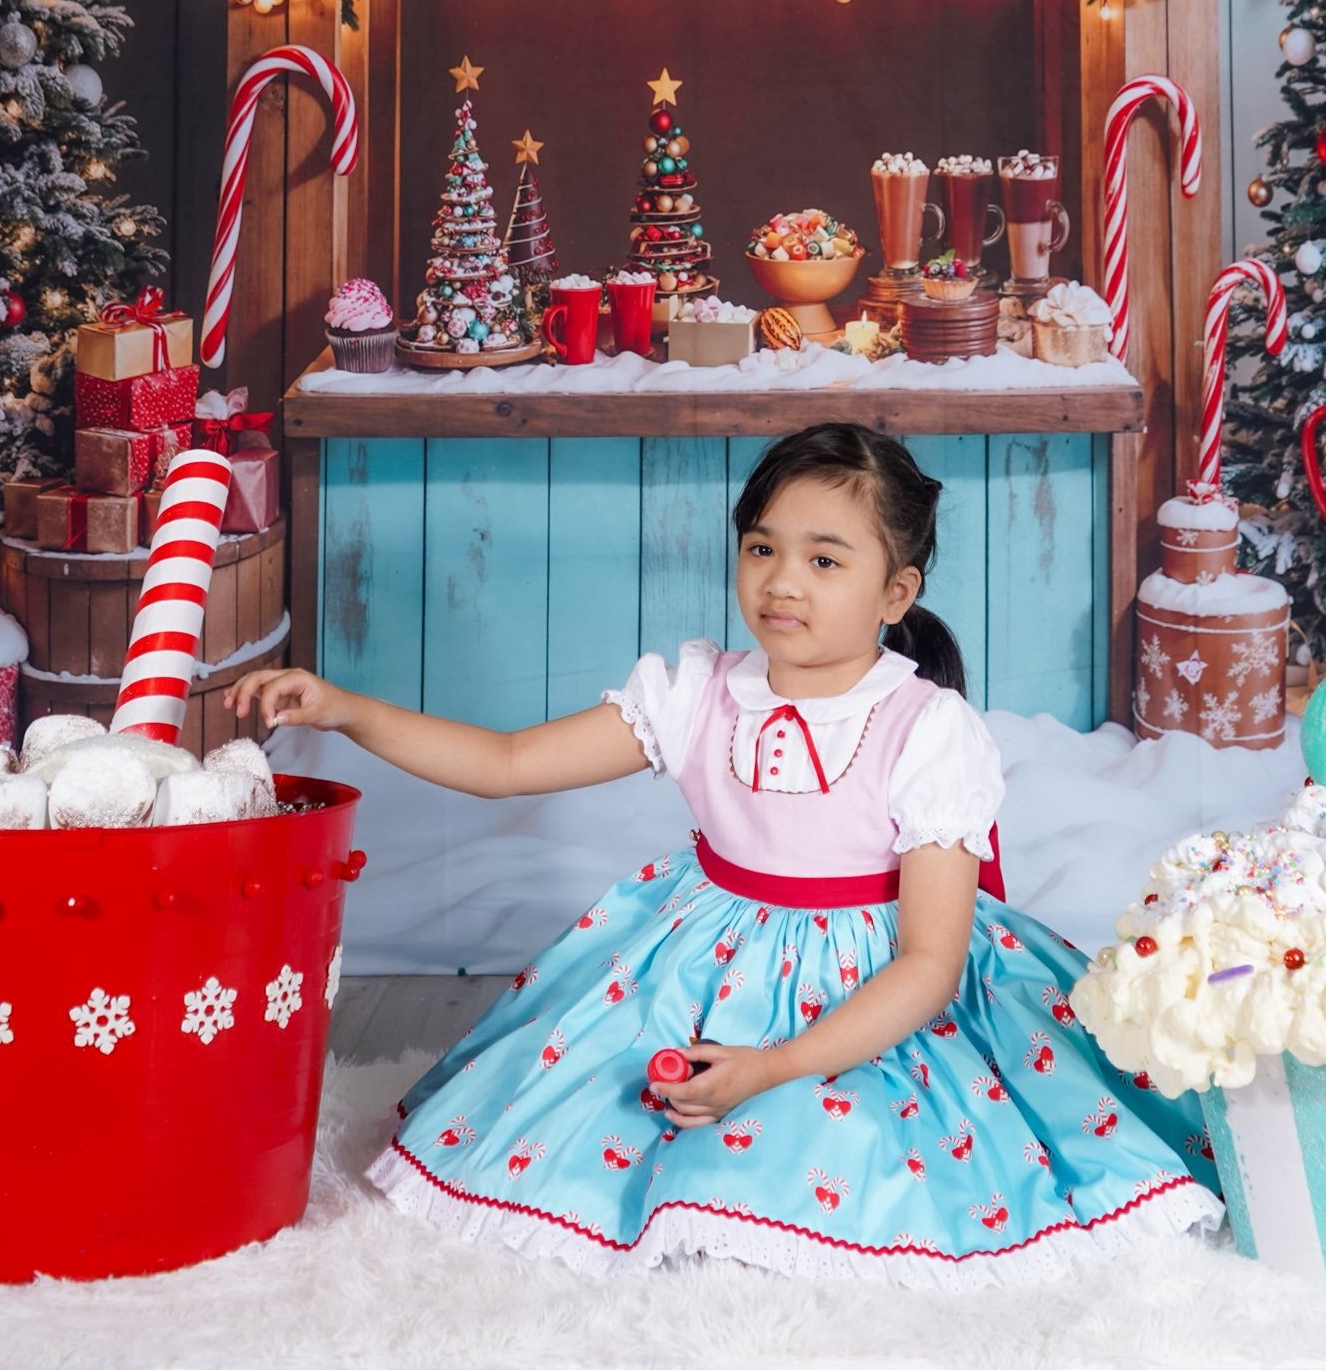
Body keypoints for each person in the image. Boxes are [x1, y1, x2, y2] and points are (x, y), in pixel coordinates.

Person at [227, 422, 1221, 1285]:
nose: (781, 580)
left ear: (894, 589)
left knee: (866, 1148)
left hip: (877, 983)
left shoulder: (927, 728)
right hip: (704, 954)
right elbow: (505, 762)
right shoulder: (696, 690)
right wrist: (346, 707)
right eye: (761, 546)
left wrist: (776, 1061)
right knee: (595, 1122)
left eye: (824, 559)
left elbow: (927, 962)